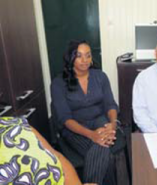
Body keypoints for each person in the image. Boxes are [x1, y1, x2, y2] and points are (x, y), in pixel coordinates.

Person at [51, 40, 118, 185]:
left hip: (100, 121)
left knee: (102, 146)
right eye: (79, 56)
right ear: (71, 58)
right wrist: (92, 135)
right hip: (74, 129)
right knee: (106, 154)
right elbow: (65, 118)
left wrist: (112, 124)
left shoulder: (100, 76)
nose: (85, 60)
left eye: (88, 55)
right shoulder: (58, 83)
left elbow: (110, 104)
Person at [0, 117, 97, 185]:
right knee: (99, 148)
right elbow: (65, 118)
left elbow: (56, 157)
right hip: (74, 132)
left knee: (102, 148)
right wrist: (92, 134)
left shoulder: (15, 124)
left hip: (97, 126)